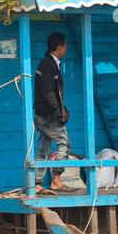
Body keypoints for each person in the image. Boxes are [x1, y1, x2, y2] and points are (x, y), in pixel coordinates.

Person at [34, 32, 73, 193]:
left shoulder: (46, 63)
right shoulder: (49, 65)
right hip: (49, 116)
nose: (65, 48)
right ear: (59, 47)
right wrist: (60, 111)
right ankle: (56, 180)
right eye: (64, 45)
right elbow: (49, 92)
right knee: (65, 144)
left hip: (41, 114)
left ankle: (36, 184)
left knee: (43, 149)